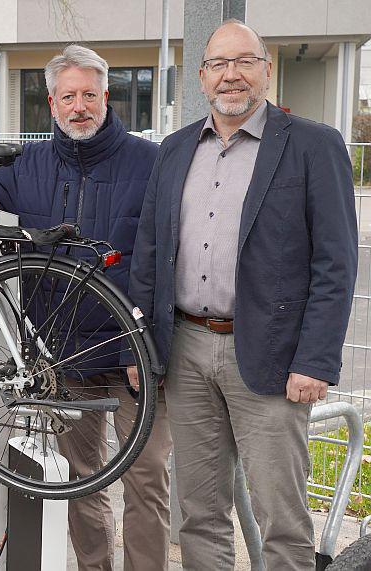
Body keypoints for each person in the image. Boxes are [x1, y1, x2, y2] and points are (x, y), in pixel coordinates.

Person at [128, 20, 357, 569]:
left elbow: (336, 262)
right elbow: (150, 255)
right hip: (185, 349)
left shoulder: (312, 145)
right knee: (199, 514)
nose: (231, 75)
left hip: (274, 358)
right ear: (202, 77)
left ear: (266, 69)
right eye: (218, 65)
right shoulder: (176, 149)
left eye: (244, 62)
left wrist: (315, 361)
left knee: (282, 518)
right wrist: (140, 348)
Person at [0, 44, 173, 571]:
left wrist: (151, 346)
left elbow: (166, 261)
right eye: (69, 96)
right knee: (83, 483)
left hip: (136, 356)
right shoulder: (30, 165)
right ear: (51, 101)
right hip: (65, 358)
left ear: (106, 96)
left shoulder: (150, 163)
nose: (79, 106)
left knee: (147, 481)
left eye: (89, 94)